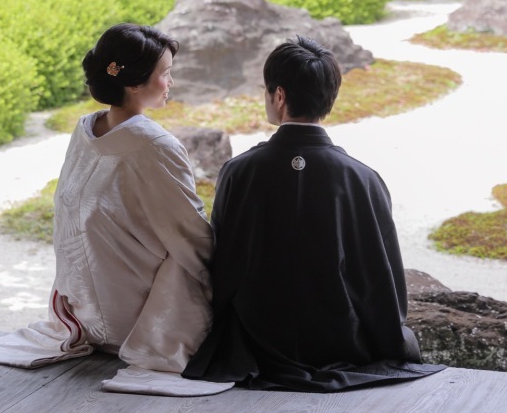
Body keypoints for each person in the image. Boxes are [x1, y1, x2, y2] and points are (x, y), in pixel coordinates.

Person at [0, 23, 233, 396]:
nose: (171, 82)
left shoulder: (86, 129)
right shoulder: (156, 144)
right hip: (135, 319)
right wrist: (229, 277)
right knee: (191, 251)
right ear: (134, 84)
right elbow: (187, 229)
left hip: (85, 308)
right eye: (166, 73)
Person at [184, 35, 445, 392]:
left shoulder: (239, 171)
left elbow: (224, 266)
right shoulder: (363, 179)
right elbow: (380, 279)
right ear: (329, 97)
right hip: (342, 340)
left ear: (278, 96)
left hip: (256, 344)